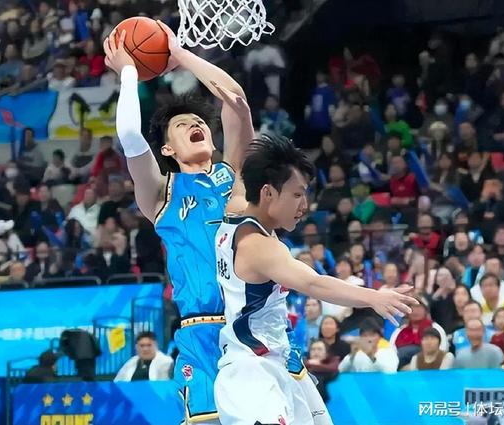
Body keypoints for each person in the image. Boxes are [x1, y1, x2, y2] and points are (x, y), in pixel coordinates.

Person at [104, 22, 259, 425]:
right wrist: (129, 72)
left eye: (200, 122)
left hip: (253, 325)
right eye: (182, 124)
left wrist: (180, 55)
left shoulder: (235, 176)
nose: (196, 125)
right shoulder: (161, 193)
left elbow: (236, 101)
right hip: (199, 333)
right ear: (168, 148)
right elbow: (129, 134)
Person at [213, 136, 417, 424]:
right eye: (297, 195)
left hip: (277, 361)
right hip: (253, 371)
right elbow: (314, 284)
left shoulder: (235, 210)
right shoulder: (258, 246)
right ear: (268, 192)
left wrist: (240, 114)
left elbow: (239, 162)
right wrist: (374, 297)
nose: (305, 205)